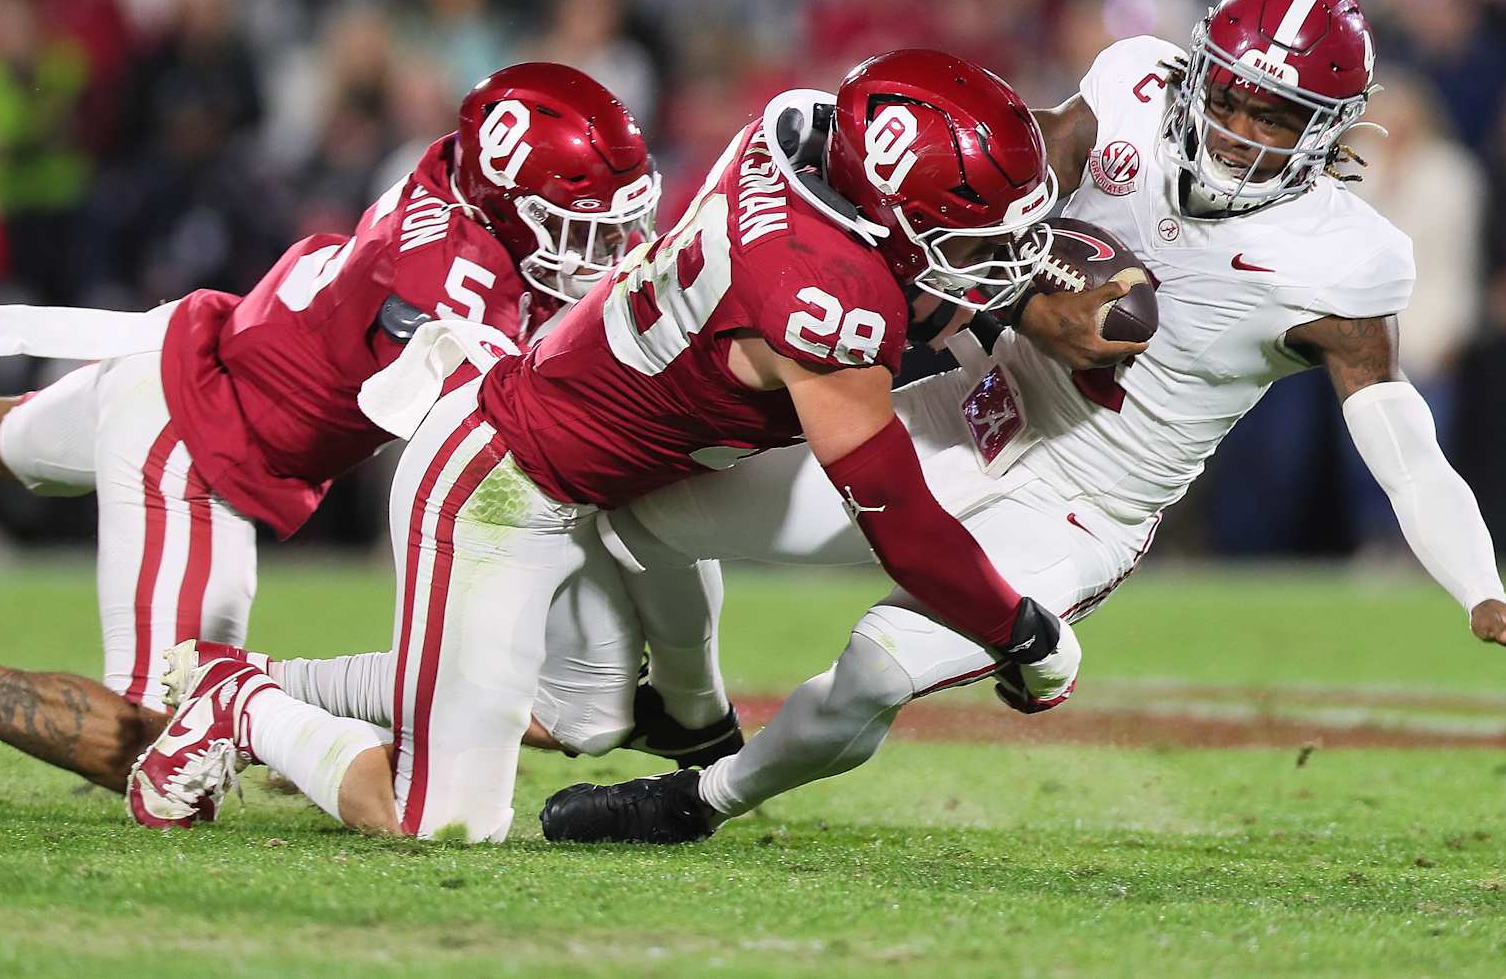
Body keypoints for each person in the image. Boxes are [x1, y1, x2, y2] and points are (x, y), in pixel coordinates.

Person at [536, 0, 1506, 846]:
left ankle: (700, 799)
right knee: (643, 519)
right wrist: (1022, 295)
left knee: (876, 668)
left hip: (1086, 509)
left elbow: (1402, 440)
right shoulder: (1133, 88)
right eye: (1228, 94)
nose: (1236, 126)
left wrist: (1481, 589)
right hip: (970, 412)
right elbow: (1018, 168)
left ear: (1328, 129)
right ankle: (687, 705)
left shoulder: (1348, 259)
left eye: (1272, 114)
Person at [127, 49, 1082, 844]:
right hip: (498, 481)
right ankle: (238, 700)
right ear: (888, 213)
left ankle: (262, 678)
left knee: (581, 713)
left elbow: (905, 293)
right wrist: (1021, 633)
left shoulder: (796, 135)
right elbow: (899, 517)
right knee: (439, 820)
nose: (995, 256)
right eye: (970, 235)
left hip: (591, 480)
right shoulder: (822, 294)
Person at [0, 64, 664, 795]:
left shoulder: (459, 174)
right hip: (196, 444)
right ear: (505, 205)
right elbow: (491, 466)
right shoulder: (451, 287)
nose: (613, 247)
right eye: (583, 228)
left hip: (191, 354)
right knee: (159, 737)